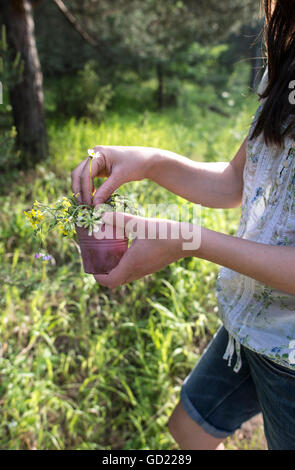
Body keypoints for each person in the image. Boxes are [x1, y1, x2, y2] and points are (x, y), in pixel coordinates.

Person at [72, 0, 295, 450]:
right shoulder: (287, 61)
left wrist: (187, 240)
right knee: (189, 431)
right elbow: (237, 180)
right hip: (245, 322)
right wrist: (151, 161)